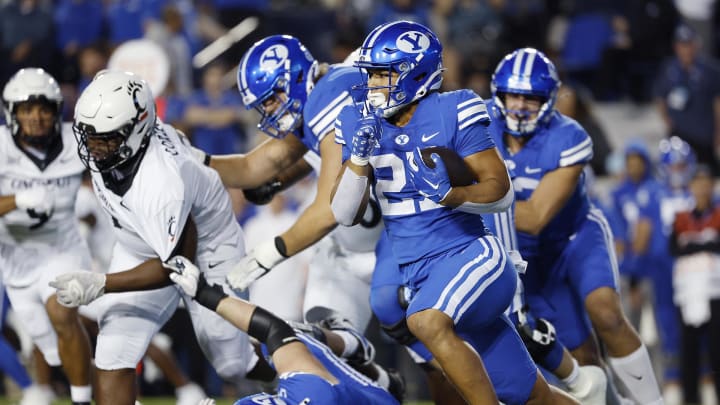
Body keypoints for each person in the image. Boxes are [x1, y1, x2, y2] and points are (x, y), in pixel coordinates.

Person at [331, 20, 578, 405]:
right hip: (421, 273)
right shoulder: (357, 120)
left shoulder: (453, 108)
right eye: (372, 75)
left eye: (383, 74)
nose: (375, 85)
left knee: (424, 320)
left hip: (472, 257)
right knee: (533, 397)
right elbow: (344, 213)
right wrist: (359, 158)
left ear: (415, 74)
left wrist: (451, 194)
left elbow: (500, 192)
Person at [48, 70, 274, 405]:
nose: (94, 146)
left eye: (106, 138)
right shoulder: (126, 141)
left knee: (232, 363)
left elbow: (175, 265)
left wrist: (101, 282)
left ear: (137, 130)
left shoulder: (162, 182)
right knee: (113, 351)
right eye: (89, 134)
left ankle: (292, 362)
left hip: (208, 248)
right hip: (139, 244)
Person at [487, 47, 663, 404]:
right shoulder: (478, 126)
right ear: (498, 94)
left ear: (549, 100)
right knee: (580, 357)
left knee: (606, 312)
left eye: (530, 98)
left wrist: (469, 200)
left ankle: (652, 402)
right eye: (513, 95)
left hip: (574, 238)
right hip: (527, 256)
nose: (519, 106)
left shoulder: (569, 137)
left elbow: (535, 217)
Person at [203, 34, 384, 334]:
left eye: (272, 100)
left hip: (395, 236)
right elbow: (254, 166)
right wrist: (191, 160)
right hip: (349, 248)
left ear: (296, 77)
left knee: (423, 338)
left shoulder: (332, 94)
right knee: (329, 341)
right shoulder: (313, 106)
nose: (271, 111)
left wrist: (272, 252)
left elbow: (331, 207)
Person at [164, 255, 400, 404]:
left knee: (280, 342)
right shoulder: (313, 394)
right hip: (371, 397)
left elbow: (273, 333)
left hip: (320, 392)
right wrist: (205, 294)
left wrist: (205, 294)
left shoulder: (306, 392)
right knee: (295, 337)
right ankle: (355, 349)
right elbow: (276, 331)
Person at [0, 68, 94, 405]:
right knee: (54, 352)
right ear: (12, 113)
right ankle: (116, 387)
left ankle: (81, 400)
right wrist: (18, 200)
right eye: (27, 109)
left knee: (62, 313)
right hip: (16, 259)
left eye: (43, 108)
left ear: (57, 111)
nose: (36, 117)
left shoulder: (77, 140)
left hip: (63, 248)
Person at [670, 164, 720, 405]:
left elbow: (687, 247)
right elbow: (674, 248)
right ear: (691, 186)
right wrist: (705, 244)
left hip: (714, 291)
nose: (701, 187)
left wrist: (692, 246)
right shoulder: (680, 218)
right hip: (687, 292)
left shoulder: (719, 214)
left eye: (705, 182)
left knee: (717, 350)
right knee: (688, 351)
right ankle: (690, 400)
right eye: (697, 182)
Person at [653, 23, 720, 175]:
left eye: (689, 44)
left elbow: (718, 101)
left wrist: (718, 130)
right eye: (682, 45)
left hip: (704, 137)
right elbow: (659, 96)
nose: (686, 49)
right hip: (679, 136)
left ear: (696, 45)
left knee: (708, 175)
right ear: (676, 47)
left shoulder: (710, 70)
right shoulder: (668, 69)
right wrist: (666, 119)